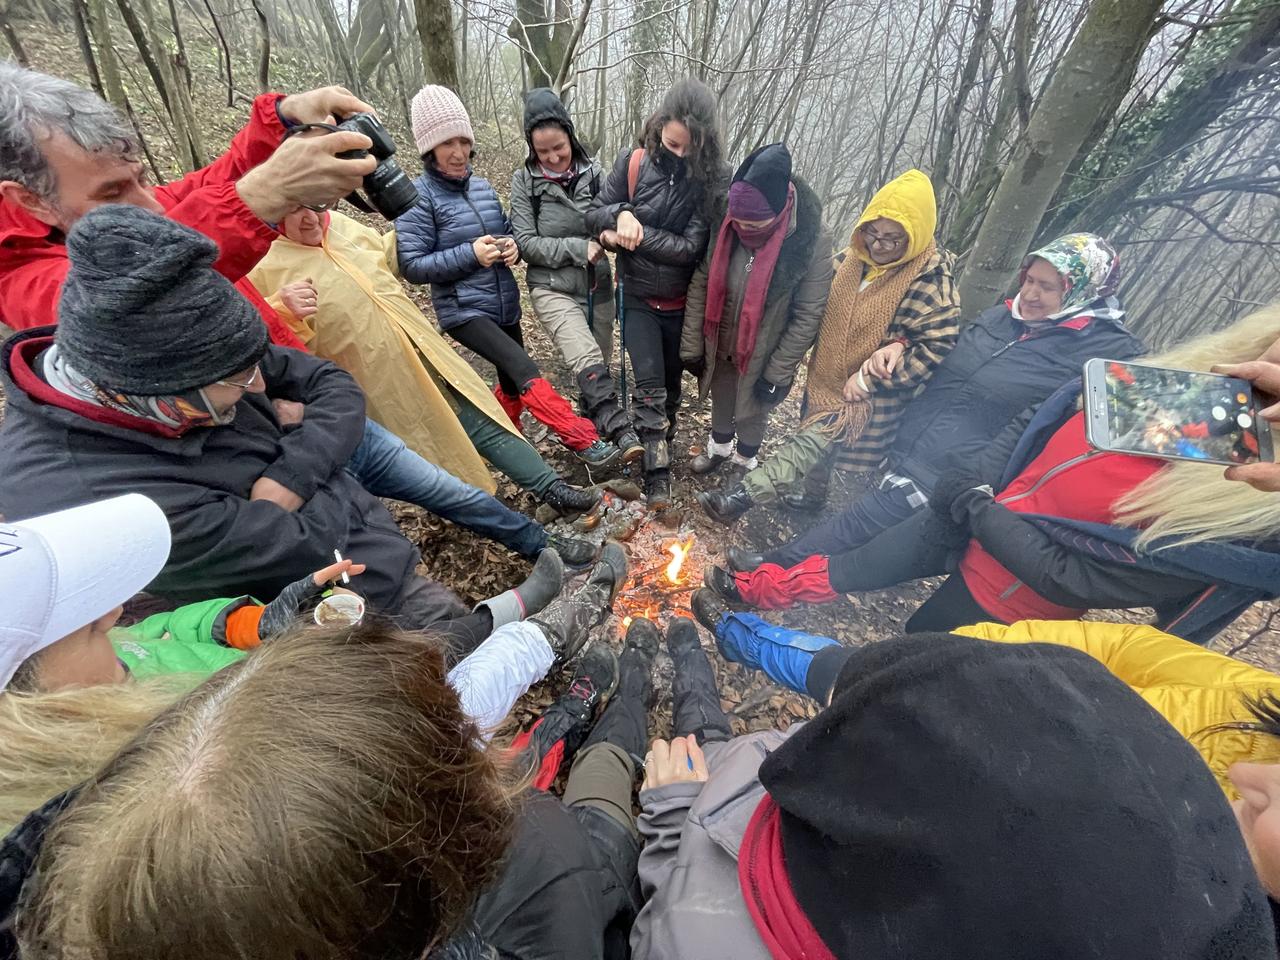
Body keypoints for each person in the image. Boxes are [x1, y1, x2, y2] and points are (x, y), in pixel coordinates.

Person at [0, 205, 570, 644]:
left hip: (370, 558)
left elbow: (333, 384)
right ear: (153, 390)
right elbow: (301, 547)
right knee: (427, 697)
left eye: (255, 371)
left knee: (448, 580)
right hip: (310, 624)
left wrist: (292, 476)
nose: (256, 387)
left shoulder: (195, 354)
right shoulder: (90, 492)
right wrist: (306, 441)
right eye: (237, 381)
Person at [0, 492, 629, 836]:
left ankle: (529, 605)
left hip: (318, 683)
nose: (111, 615)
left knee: (433, 644)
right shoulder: (129, 798)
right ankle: (557, 627)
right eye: (81, 620)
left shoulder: (107, 658)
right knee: (474, 688)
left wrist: (250, 625)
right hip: (367, 755)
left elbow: (162, 629)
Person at [629, 628, 1276, 959]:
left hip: (702, 823)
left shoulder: (691, 937)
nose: (1250, 778)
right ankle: (690, 656)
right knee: (703, 728)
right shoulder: (1161, 914)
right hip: (725, 811)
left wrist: (669, 819)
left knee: (701, 742)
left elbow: (661, 903)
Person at [707, 306, 1280, 642]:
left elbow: (1074, 577)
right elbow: (1038, 423)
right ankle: (752, 594)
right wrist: (975, 480)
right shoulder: (1185, 397)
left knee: (910, 652)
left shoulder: (1241, 518)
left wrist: (976, 502)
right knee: (854, 564)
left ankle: (766, 651)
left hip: (1014, 588)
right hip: (968, 507)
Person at [724, 231, 1143, 570]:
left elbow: (1081, 432)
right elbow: (945, 351)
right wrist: (900, 344)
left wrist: (980, 476)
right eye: (1029, 279)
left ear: (1082, 290)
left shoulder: (1107, 354)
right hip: (917, 441)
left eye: (1047, 287)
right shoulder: (1003, 317)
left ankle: (773, 568)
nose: (1030, 294)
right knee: (876, 533)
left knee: (860, 522)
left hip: (962, 470)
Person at [691, 592, 1280, 800]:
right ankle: (736, 633)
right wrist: (972, 652)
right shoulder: (1260, 695)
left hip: (957, 785)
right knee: (828, 664)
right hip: (972, 692)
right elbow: (1123, 647)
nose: (1256, 780)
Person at [247, 208, 602, 521]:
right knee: (432, 458)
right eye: (294, 209)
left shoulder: (341, 226)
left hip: (425, 352)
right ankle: (497, 521)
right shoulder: (263, 263)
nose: (309, 216)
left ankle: (552, 490)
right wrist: (280, 309)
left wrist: (445, 235)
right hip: (378, 385)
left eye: (314, 204)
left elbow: (394, 254)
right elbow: (265, 348)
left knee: (482, 417)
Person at [0, 62, 376, 348]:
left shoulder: (116, 209)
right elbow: (115, 303)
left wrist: (282, 119)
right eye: (113, 192)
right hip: (258, 433)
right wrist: (261, 196)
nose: (153, 207)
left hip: (299, 387)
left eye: (141, 177)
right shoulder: (20, 279)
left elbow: (214, 183)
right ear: (31, 200)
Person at [697, 168, 960, 524]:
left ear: (915, 237)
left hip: (866, 398)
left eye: (892, 239)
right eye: (872, 232)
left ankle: (743, 497)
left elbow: (934, 345)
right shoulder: (848, 262)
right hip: (824, 379)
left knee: (814, 448)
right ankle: (811, 498)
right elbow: (811, 305)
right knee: (815, 453)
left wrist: (875, 375)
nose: (878, 246)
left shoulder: (930, 282)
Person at [396, 84, 617, 468]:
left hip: (503, 304)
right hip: (464, 311)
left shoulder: (481, 187)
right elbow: (412, 265)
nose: (459, 152)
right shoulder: (419, 197)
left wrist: (511, 246)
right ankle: (582, 440)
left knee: (512, 385)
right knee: (524, 370)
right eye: (448, 143)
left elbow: (509, 232)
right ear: (428, 148)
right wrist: (470, 255)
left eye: (464, 141)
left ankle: (502, 451)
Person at [585, 78, 724, 509]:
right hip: (639, 297)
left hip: (682, 304)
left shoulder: (711, 180)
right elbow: (593, 213)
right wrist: (619, 213)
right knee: (647, 387)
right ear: (661, 124)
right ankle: (657, 472)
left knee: (670, 387)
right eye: (673, 143)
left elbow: (689, 249)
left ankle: (665, 433)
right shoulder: (633, 162)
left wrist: (633, 234)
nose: (681, 154)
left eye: (690, 148)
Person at [680, 143, 833, 488]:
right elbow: (703, 278)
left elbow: (809, 313)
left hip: (768, 346)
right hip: (722, 336)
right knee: (721, 391)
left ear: (778, 211)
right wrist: (692, 343)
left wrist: (778, 371)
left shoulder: (810, 239)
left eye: (754, 223)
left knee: (754, 406)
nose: (744, 229)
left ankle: (744, 461)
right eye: (740, 222)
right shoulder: (728, 221)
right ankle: (719, 449)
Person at [510, 88, 643, 463]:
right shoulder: (525, 182)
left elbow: (609, 219)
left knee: (595, 368)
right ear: (532, 149)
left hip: (596, 284)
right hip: (551, 286)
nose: (552, 157)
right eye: (543, 151)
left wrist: (610, 237)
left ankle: (592, 444)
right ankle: (619, 427)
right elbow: (525, 243)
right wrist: (576, 248)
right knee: (582, 354)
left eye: (559, 147)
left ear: (570, 136)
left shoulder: (597, 174)